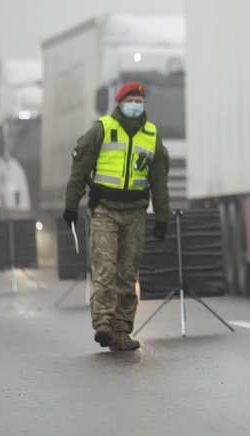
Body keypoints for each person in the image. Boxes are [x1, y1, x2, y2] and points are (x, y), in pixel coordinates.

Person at [63, 82, 171, 351]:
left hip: (135, 213)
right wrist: (71, 206)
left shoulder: (151, 136)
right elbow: (79, 169)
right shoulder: (102, 130)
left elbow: (159, 180)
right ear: (119, 103)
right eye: (130, 100)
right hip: (105, 212)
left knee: (127, 274)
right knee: (105, 268)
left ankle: (121, 330)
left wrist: (162, 216)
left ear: (145, 105)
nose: (136, 105)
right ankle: (103, 323)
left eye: (140, 101)